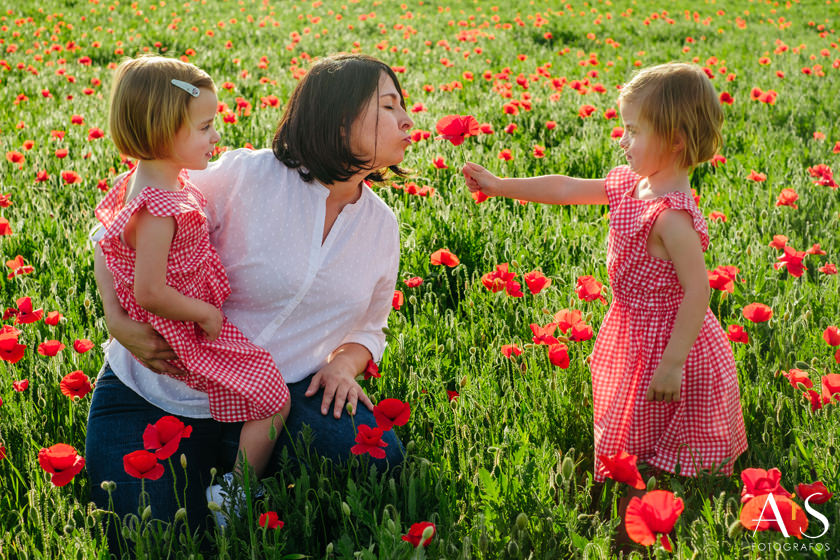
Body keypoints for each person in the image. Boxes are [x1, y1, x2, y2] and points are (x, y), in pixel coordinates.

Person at [87, 53, 411, 548]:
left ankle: (241, 483)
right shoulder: (249, 177)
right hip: (154, 393)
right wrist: (116, 319)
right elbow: (122, 224)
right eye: (389, 106)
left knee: (380, 459)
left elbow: (370, 326)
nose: (408, 120)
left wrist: (345, 364)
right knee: (156, 543)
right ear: (340, 118)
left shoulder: (381, 227)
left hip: (271, 403)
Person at [462, 63, 747, 483]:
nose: (623, 141)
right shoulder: (632, 184)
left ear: (676, 139)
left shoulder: (671, 217)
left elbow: (699, 290)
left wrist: (672, 364)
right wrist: (501, 184)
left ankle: (678, 494)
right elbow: (564, 189)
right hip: (633, 327)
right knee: (631, 416)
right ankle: (638, 476)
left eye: (633, 130)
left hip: (670, 339)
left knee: (678, 426)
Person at [94, 56, 291, 521]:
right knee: (272, 395)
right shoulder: (161, 208)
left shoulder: (139, 183)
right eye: (205, 128)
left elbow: (103, 242)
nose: (216, 136)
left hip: (178, 322)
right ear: (164, 132)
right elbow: (148, 291)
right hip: (185, 330)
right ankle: (236, 492)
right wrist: (203, 314)